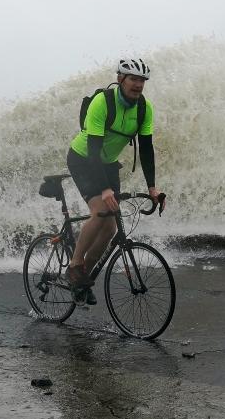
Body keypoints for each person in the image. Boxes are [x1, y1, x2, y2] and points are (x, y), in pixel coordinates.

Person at [65, 59, 163, 305]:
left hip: (108, 163)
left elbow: (147, 149)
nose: (138, 84)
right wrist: (105, 188)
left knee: (110, 228)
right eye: (133, 79)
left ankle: (83, 279)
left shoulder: (144, 108)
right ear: (120, 79)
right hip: (83, 159)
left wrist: (152, 188)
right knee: (100, 210)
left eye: (142, 80)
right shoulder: (102, 102)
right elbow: (93, 149)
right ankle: (75, 265)